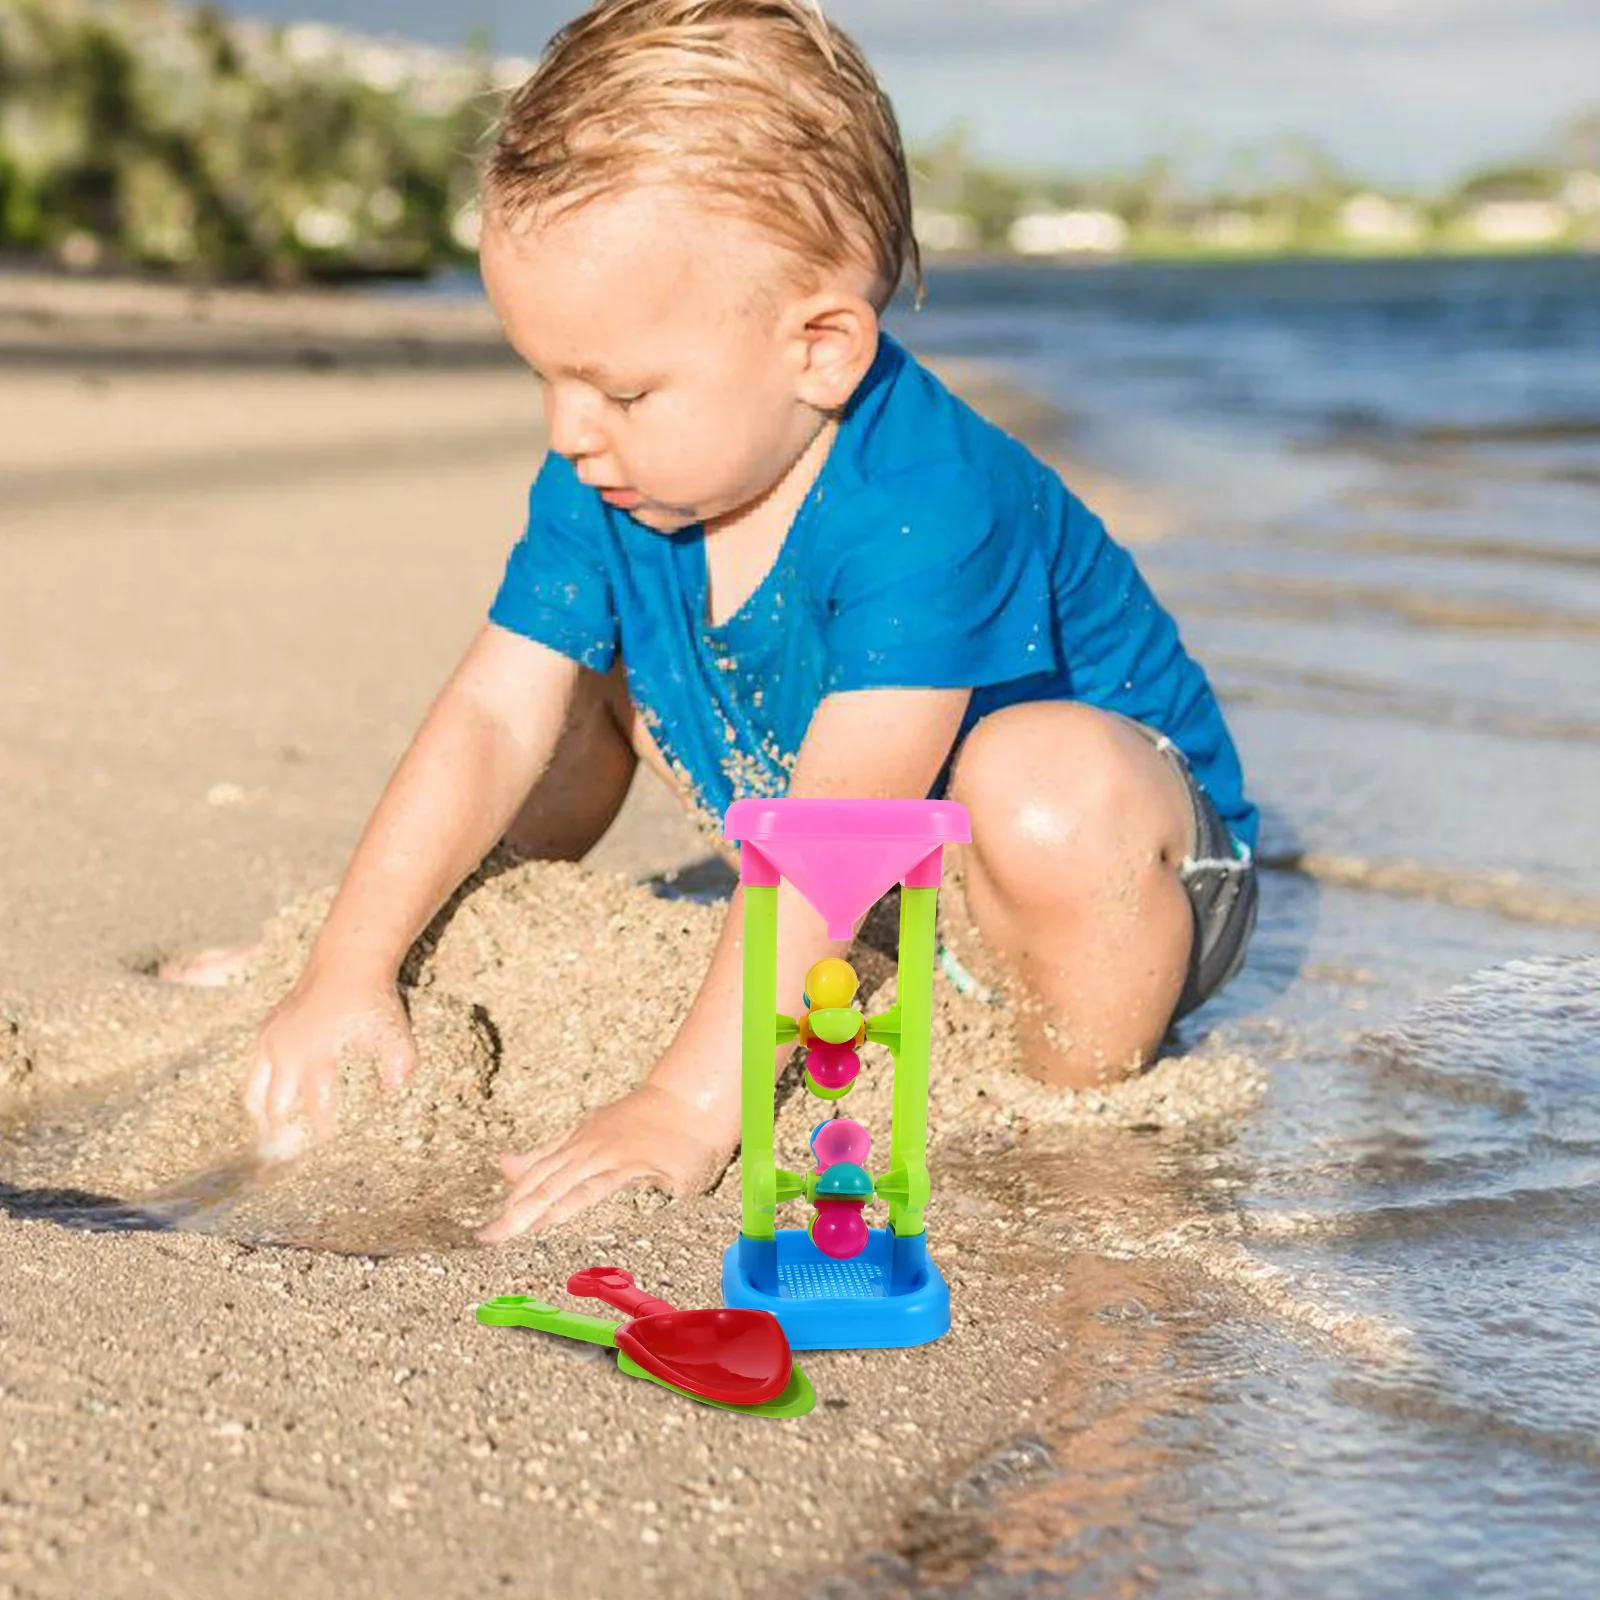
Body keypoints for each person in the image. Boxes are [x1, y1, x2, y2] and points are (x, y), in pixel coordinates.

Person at [216, 0, 1259, 1242]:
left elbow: (843, 817)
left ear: (818, 348)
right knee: (568, 675)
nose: (566, 431)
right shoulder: (614, 472)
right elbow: (493, 712)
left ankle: (1072, 1101)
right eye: (542, 376)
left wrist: (688, 1100)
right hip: (854, 849)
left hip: (1107, 878)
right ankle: (455, 921)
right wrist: (348, 965)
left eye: (618, 386)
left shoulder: (926, 498)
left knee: (1041, 783)